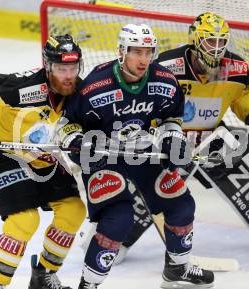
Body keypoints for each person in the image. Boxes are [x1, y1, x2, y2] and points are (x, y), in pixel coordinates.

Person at [115, 12, 249, 262]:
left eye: (221, 42)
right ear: (195, 40)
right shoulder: (167, 67)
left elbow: (248, 105)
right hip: (169, 140)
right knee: (156, 188)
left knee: (236, 167)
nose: (216, 49)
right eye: (210, 41)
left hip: (211, 136)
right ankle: (113, 237)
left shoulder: (237, 69)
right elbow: (143, 103)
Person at [59, 23, 214, 289]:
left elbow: (171, 119)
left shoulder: (164, 80)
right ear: (122, 51)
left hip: (142, 151)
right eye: (137, 52)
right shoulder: (95, 85)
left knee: (181, 204)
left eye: (148, 52)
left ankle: (177, 269)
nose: (144, 59)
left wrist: (172, 141)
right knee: (119, 220)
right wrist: (79, 144)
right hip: (102, 156)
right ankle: (88, 285)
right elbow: (65, 126)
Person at [0, 34, 87, 289]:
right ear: (48, 67)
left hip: (39, 154)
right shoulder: (21, 87)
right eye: (61, 68)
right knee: (25, 219)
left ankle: (43, 276)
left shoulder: (79, 92)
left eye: (72, 68)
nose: (68, 75)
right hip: (4, 151)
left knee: (74, 210)